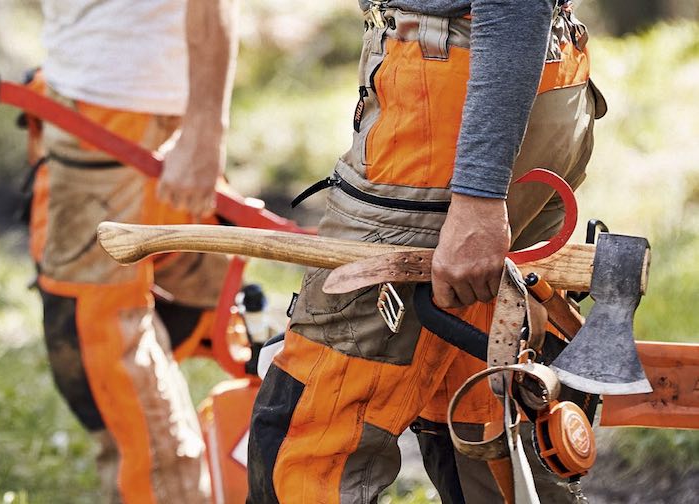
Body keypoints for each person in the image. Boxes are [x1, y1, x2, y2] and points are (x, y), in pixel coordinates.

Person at [247, 0, 605, 502]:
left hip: (451, 105)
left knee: (313, 437)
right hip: (514, 76)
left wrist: (480, 196)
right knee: (481, 411)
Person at [22, 1, 239, 502]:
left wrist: (206, 129)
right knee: (189, 295)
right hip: (84, 84)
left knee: (92, 333)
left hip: (124, 98)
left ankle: (169, 491)